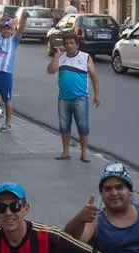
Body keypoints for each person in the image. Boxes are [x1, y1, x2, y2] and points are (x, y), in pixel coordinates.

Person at [47, 32, 100, 163]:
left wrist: (97, 94)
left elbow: (94, 76)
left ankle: (84, 153)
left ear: (77, 44)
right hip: (64, 98)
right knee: (64, 126)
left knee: (82, 125)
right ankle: (65, 151)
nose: (69, 46)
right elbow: (50, 70)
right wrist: (57, 55)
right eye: (67, 43)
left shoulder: (85, 57)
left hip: (80, 98)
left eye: (72, 43)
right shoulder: (61, 58)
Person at [0, 9, 28, 131]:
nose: (5, 30)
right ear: (1, 29)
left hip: (5, 75)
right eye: (4, 28)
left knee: (7, 100)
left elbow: (20, 30)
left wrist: (24, 19)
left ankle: (8, 123)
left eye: (8, 28)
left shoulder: (13, 40)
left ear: (11, 31)